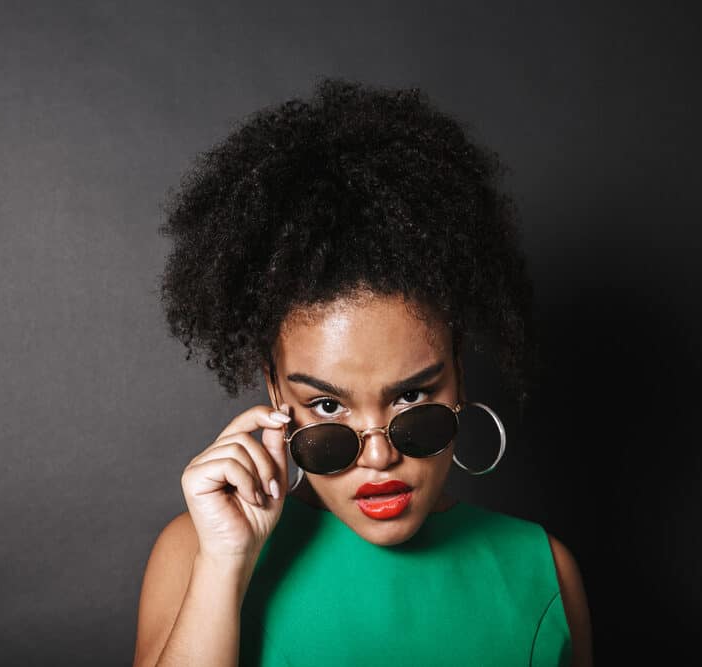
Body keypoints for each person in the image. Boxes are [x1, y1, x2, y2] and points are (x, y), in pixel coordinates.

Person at [133, 78, 592, 666]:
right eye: (328, 407)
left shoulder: (543, 573)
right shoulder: (197, 555)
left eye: (411, 397)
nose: (377, 458)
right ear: (277, 394)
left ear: (459, 375)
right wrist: (225, 567)